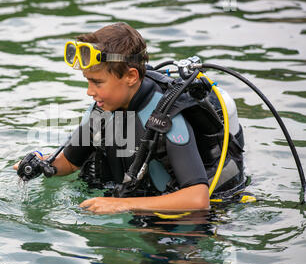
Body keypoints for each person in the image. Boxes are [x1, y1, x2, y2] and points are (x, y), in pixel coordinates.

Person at [13, 22, 246, 214]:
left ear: (131, 76)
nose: (89, 91)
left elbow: (197, 199)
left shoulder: (168, 117)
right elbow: (70, 162)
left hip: (194, 218)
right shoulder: (102, 108)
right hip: (140, 203)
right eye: (88, 81)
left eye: (97, 82)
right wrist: (40, 163)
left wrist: (121, 204)